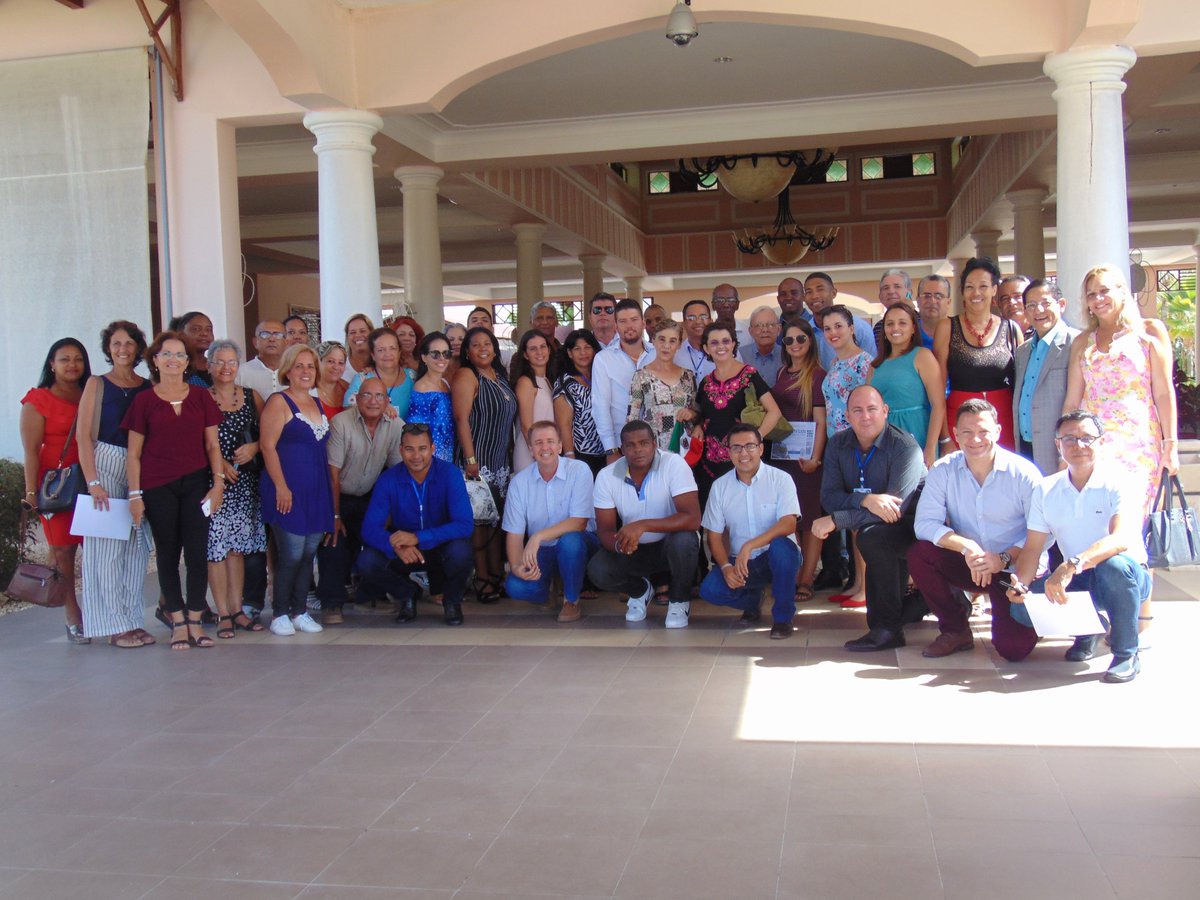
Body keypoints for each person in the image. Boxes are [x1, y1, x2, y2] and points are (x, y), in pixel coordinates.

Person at [1063, 263, 1178, 646]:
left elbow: (1163, 393)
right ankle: (1104, 613)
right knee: (1098, 526)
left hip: (1139, 445)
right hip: (1095, 446)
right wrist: (1065, 444)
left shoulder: (1150, 333)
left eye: (1106, 290)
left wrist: (1170, 446)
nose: (1099, 299)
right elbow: (1073, 399)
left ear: (1122, 293)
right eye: (1092, 293)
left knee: (1129, 529)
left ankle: (1140, 616)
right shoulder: (1083, 342)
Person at [1006, 411, 1150, 683]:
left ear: (1101, 442)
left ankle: (1126, 654)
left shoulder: (1122, 480)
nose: (1078, 445)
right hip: (1079, 578)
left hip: (1127, 576)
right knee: (1021, 608)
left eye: (1087, 438)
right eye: (1069, 438)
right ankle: (1089, 629)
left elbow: (1121, 539)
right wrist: (1021, 584)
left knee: (1114, 566)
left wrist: (1072, 564)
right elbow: (1033, 547)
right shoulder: (1046, 488)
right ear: (1057, 445)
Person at [908, 399, 1042, 661]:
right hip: (971, 563)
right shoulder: (944, 470)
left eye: (983, 431)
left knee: (1013, 650)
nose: (975, 439)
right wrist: (967, 547)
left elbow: (1043, 533)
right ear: (956, 434)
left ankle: (1028, 617)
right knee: (920, 554)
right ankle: (955, 629)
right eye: (967, 432)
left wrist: (1002, 558)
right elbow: (924, 524)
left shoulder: (1024, 473)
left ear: (998, 432)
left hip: (1013, 569)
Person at [123, 332, 225, 651]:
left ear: (186, 362)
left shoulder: (200, 397)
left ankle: (195, 620)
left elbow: (212, 444)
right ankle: (177, 621)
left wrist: (218, 483)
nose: (173, 360)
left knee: (197, 553)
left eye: (180, 355)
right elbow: (134, 454)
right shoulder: (144, 400)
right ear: (155, 360)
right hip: (157, 486)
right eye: (166, 354)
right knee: (167, 554)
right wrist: (135, 496)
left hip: (196, 483)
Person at [814, 386, 926, 648]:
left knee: (873, 537)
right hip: (882, 525)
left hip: (916, 526)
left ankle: (887, 629)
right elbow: (829, 497)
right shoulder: (838, 444)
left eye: (872, 409)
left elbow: (893, 512)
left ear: (885, 412)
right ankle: (927, 605)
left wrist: (837, 520)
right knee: (874, 535)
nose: (865, 416)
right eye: (858, 410)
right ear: (847, 416)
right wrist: (866, 499)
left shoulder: (904, 447)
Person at [76, 322, 154, 647]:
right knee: (105, 553)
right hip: (105, 465)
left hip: (138, 467)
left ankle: (133, 619)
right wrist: (93, 481)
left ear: (138, 348)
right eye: (116, 343)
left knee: (135, 551)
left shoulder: (148, 387)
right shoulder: (96, 384)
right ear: (109, 348)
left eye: (129, 343)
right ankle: (114, 624)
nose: (122, 349)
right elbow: (83, 436)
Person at [588, 421, 701, 628]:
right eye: (630, 445)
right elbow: (604, 529)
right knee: (598, 569)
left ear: (655, 443)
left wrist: (642, 525)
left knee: (685, 539)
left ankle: (679, 600)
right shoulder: (606, 476)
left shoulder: (674, 464)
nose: (637, 449)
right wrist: (619, 544)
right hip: (635, 548)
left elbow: (693, 518)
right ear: (622, 449)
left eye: (643, 443)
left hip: (670, 546)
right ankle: (639, 590)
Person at [359, 422, 474, 626]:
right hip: (405, 550)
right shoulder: (389, 479)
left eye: (422, 449)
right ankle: (407, 594)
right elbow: (369, 529)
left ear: (432, 449)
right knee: (367, 561)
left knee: (462, 552)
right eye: (409, 449)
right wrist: (394, 544)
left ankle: (452, 601)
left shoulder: (450, 474)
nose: (416, 456)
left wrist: (419, 537)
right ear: (401, 450)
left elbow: (464, 524)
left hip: (439, 547)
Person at [699, 423, 802, 639]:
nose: (743, 453)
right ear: (728, 452)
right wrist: (726, 567)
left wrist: (751, 545)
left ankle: (783, 619)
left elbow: (788, 524)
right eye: (736, 448)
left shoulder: (780, 479)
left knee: (782, 548)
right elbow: (714, 536)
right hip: (742, 564)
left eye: (750, 446)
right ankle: (753, 600)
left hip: (775, 556)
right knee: (710, 590)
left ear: (761, 449)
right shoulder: (720, 487)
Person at [259, 344, 334, 636]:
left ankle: (299, 610)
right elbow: (267, 446)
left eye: (311, 366)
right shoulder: (279, 402)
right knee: (290, 553)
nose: (305, 372)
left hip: (316, 490)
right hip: (287, 489)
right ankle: (279, 612)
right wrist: (281, 486)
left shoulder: (316, 403)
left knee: (308, 554)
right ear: (288, 370)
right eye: (299, 366)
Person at [316, 375, 403, 624]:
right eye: (367, 395)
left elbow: (397, 472)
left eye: (379, 396)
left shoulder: (396, 425)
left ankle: (370, 597)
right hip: (337, 494)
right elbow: (333, 474)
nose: (373, 401)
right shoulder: (341, 423)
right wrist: (334, 515)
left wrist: (389, 513)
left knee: (378, 541)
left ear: (388, 401)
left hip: (369, 496)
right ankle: (332, 603)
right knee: (334, 542)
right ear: (356, 398)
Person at [21, 338, 91, 643]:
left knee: (99, 549)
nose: (72, 365)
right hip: (57, 485)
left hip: (92, 479)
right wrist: (30, 492)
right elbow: (31, 451)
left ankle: (105, 612)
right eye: (65, 359)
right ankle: (72, 614)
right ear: (52, 363)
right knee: (63, 552)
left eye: (77, 359)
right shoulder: (38, 400)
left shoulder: (92, 391)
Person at [503, 421, 599, 622]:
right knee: (515, 585)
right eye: (538, 443)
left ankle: (571, 600)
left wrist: (538, 536)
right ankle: (547, 590)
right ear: (530, 449)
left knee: (570, 541)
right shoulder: (519, 483)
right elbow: (514, 534)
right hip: (543, 552)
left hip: (578, 544)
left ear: (560, 446)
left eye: (550, 442)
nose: (544, 448)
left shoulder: (579, 470)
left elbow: (579, 522)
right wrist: (516, 566)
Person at [205, 339, 268, 638]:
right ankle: (222, 612)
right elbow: (196, 441)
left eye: (231, 362)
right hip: (214, 484)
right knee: (216, 549)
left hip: (245, 483)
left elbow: (268, 432)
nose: (226, 367)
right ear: (209, 365)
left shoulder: (251, 396)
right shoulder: (201, 398)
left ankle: (237, 608)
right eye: (219, 361)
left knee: (237, 551)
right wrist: (218, 467)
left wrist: (255, 447)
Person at [452, 326, 518, 603]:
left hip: (499, 460)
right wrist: (470, 460)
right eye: (476, 344)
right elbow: (461, 419)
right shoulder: (467, 375)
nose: (483, 348)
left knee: (494, 522)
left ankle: (495, 575)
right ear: (467, 351)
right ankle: (483, 579)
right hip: (476, 461)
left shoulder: (500, 377)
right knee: (480, 522)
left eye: (487, 343)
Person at [934, 256, 1022, 451]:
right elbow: (937, 389)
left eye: (983, 286)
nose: (976, 293)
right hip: (959, 418)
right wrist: (945, 438)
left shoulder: (1011, 330)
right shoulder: (947, 327)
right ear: (962, 292)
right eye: (969, 287)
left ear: (994, 290)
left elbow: (1020, 387)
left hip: (1002, 419)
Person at [769, 319, 827, 603]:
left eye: (800, 339)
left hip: (807, 458)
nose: (794, 345)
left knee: (810, 519)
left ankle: (806, 579)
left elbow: (820, 419)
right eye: (788, 340)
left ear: (810, 342)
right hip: (782, 457)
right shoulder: (781, 372)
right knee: (791, 517)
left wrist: (816, 458)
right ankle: (793, 574)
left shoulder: (817, 375)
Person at [693, 321, 781, 507]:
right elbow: (702, 416)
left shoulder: (749, 375)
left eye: (726, 341)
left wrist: (754, 442)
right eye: (714, 343)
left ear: (733, 344)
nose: (721, 346)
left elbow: (774, 412)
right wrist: (698, 426)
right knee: (714, 520)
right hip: (709, 465)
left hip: (744, 462)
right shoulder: (706, 382)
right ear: (706, 348)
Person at [1012, 279, 1079, 473]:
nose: (1038, 310)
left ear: (1062, 305)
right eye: (1031, 306)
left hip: (1059, 450)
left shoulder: (1076, 343)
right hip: (1025, 446)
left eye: (1045, 303)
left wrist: (1068, 451)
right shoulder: (1023, 351)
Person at [868, 301, 946, 466]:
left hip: (916, 434)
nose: (895, 328)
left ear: (913, 328)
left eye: (902, 323)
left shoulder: (923, 356)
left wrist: (931, 447)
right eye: (889, 324)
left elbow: (938, 405)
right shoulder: (875, 366)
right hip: (882, 439)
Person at [592, 299, 653, 461]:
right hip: (622, 445)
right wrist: (610, 449)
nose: (629, 326)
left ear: (643, 323)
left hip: (657, 442)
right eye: (623, 321)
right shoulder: (603, 359)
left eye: (634, 320)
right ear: (616, 326)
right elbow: (601, 406)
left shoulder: (657, 354)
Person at [628, 319, 698, 451]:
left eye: (672, 341)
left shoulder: (688, 376)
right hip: (653, 449)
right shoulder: (641, 376)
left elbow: (697, 412)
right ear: (653, 340)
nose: (666, 346)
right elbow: (632, 418)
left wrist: (691, 414)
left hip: (684, 449)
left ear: (679, 344)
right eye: (662, 339)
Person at [553, 329, 606, 475]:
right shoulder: (566, 383)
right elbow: (564, 424)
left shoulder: (600, 377)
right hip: (581, 455)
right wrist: (570, 456)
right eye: (577, 349)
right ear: (569, 353)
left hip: (605, 451)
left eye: (587, 347)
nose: (583, 353)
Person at [803, 273, 877, 368]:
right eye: (809, 292)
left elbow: (873, 365)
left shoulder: (858, 326)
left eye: (820, 289)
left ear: (833, 293)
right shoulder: (805, 332)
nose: (814, 296)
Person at [821, 305, 873, 437]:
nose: (833, 332)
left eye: (838, 326)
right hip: (835, 442)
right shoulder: (834, 363)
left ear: (851, 329)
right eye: (827, 329)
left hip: (855, 440)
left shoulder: (864, 363)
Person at [510, 329, 557, 473]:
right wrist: (538, 455)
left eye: (543, 347)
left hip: (546, 451)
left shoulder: (547, 381)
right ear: (525, 354)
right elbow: (526, 426)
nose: (539, 352)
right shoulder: (526, 382)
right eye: (533, 349)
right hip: (530, 453)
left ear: (549, 350)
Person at [407, 332, 457, 463]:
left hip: (449, 452)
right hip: (431, 457)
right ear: (424, 357)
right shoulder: (421, 388)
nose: (442, 358)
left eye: (446, 354)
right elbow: (416, 430)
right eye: (435, 354)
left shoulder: (445, 383)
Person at [344, 327, 416, 418]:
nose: (387, 354)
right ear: (373, 355)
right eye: (381, 350)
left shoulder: (412, 377)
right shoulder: (362, 379)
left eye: (392, 348)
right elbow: (348, 409)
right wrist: (378, 408)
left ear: (399, 352)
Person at [237, 319, 286, 399]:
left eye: (277, 335)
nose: (271, 339)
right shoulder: (240, 372)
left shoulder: (294, 371)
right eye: (265, 334)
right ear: (255, 342)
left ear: (286, 342)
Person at [870, 269, 917, 350]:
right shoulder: (879, 327)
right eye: (886, 288)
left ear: (909, 293)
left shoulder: (921, 321)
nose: (891, 291)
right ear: (880, 296)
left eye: (897, 286)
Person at [738, 306, 784, 386]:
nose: (765, 330)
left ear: (779, 329)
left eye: (770, 325)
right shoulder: (740, 355)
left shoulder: (787, 356)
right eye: (758, 325)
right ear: (751, 331)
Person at [674, 299, 716, 382]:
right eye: (691, 318)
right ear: (683, 324)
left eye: (703, 317)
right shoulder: (675, 353)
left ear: (711, 321)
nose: (697, 321)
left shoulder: (724, 351)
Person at [172, 311, 215, 386]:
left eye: (209, 330)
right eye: (196, 329)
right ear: (181, 333)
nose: (204, 333)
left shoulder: (217, 366)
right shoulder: (172, 366)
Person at [315, 340, 349, 419]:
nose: (336, 367)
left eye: (340, 363)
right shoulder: (309, 391)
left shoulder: (348, 388)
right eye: (330, 361)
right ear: (318, 362)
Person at [916, 274, 953, 348]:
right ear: (918, 301)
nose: (932, 301)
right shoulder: (909, 334)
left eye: (938, 296)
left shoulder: (961, 333)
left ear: (948, 302)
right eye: (927, 296)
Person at [343, 313, 375, 381]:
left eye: (362, 331)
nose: (358, 335)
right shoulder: (340, 366)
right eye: (352, 332)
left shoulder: (381, 364)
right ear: (347, 337)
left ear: (372, 333)